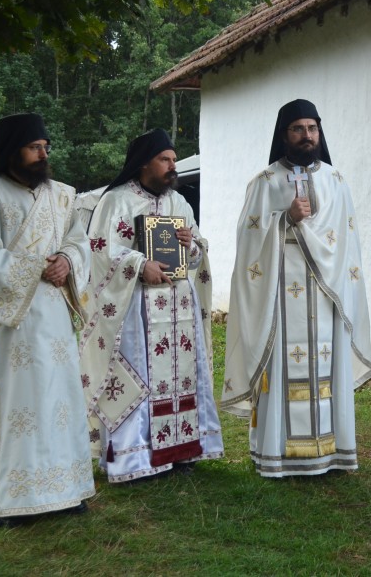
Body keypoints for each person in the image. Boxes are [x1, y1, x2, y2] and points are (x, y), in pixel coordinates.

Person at [0, 113, 94, 525]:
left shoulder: (62, 196)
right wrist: (36, 267)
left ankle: (66, 491)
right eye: (35, 148)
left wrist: (67, 260)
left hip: (56, 319)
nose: (43, 154)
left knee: (62, 401)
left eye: (46, 147)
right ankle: (16, 499)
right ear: (12, 150)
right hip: (15, 322)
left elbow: (78, 241)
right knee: (23, 404)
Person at [222, 99, 371, 477]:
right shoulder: (264, 182)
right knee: (281, 372)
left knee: (328, 368)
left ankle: (332, 452)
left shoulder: (336, 181)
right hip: (279, 299)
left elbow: (347, 246)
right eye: (298, 129)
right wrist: (284, 219)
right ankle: (277, 454)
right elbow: (248, 243)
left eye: (312, 128)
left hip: (326, 297)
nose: (307, 135)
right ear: (284, 134)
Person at [80, 128, 223, 482]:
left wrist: (191, 246)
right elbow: (100, 250)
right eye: (165, 160)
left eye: (174, 159)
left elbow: (197, 251)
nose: (173, 166)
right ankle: (137, 458)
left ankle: (183, 448)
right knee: (140, 376)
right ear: (144, 163)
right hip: (136, 310)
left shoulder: (179, 203)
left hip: (179, 308)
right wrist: (140, 264)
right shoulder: (116, 200)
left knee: (183, 377)